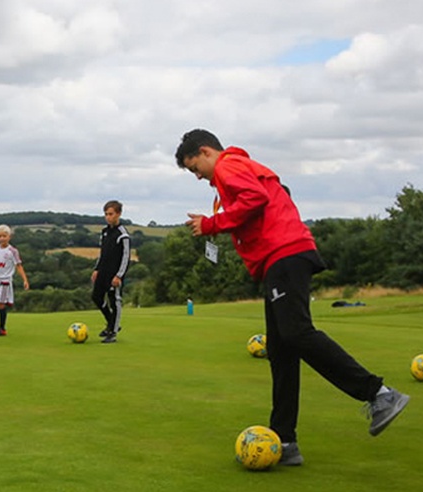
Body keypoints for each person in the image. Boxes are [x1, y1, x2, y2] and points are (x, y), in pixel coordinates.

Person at [175, 129, 409, 466]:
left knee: (296, 332)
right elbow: (276, 194)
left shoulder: (229, 165)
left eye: (194, 167)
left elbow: (255, 198)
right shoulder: (240, 167)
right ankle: (285, 440)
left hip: (283, 255)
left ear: (206, 151)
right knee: (281, 351)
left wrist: (213, 224)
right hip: (280, 258)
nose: (197, 176)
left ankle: (379, 394)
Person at [91, 200, 131, 343]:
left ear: (118, 214)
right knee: (96, 297)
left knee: (115, 301)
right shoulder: (105, 232)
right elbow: (102, 253)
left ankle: (112, 332)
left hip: (115, 274)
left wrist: (119, 275)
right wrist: (96, 269)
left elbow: (126, 257)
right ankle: (111, 322)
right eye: (106, 214)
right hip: (103, 272)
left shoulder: (123, 234)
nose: (108, 217)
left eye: (111, 214)